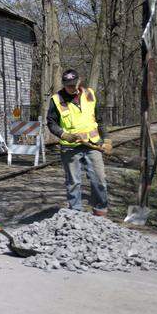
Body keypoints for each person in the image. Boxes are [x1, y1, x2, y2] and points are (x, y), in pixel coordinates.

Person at [47, 69, 113, 216]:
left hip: (92, 144)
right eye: (68, 85)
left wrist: (106, 140)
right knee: (73, 182)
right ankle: (75, 214)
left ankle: (100, 211)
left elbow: (100, 119)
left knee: (99, 178)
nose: (72, 88)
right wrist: (63, 134)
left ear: (79, 80)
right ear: (63, 84)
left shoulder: (90, 94)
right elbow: (51, 123)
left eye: (74, 84)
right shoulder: (57, 100)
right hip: (70, 148)